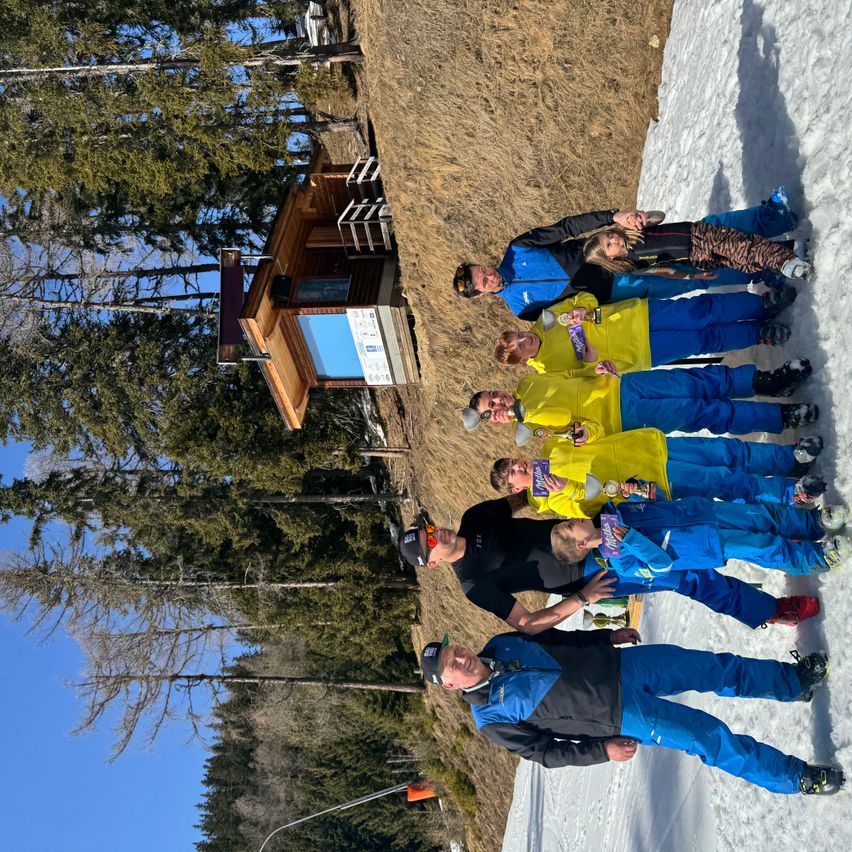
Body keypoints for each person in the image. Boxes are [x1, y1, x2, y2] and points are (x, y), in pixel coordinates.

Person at [419, 631, 845, 795]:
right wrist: (602, 750)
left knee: (714, 666)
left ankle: (794, 682)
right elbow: (546, 753)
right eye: (450, 668)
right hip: (620, 714)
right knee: (708, 736)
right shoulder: (489, 720)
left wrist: (608, 635)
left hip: (624, 665)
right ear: (451, 685)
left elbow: (560, 639)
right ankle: (796, 778)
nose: (458, 659)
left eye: (453, 651)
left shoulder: (500, 644)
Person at [397, 500, 820, 635]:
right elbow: (526, 623)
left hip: (592, 532)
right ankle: (769, 610)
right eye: (430, 543)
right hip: (593, 574)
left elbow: (527, 495)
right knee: (687, 577)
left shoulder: (474, 517)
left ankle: (782, 528)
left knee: (683, 526)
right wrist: (581, 599)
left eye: (431, 529)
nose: (439, 536)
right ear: (432, 564)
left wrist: (569, 488)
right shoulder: (473, 584)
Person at [452, 191, 797, 318]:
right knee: (691, 276)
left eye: (481, 271)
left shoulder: (518, 248)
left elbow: (568, 226)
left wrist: (611, 218)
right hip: (618, 288)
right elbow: (567, 319)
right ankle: (761, 266)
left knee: (697, 232)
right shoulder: (521, 310)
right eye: (482, 283)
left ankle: (770, 219)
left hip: (612, 248)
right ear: (481, 294)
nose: (488, 277)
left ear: (480, 263)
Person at [489, 429, 827, 518]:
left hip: (649, 448)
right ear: (515, 488)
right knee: (722, 481)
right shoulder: (549, 501)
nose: (521, 467)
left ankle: (789, 458)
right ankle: (790, 494)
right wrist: (569, 486)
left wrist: (584, 430)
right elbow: (590, 508)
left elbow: (592, 432)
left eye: (515, 462)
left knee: (723, 451)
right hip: (645, 482)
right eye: (514, 474)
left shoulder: (551, 449)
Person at [464, 361, 819, 443]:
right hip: (624, 414)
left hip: (622, 385)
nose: (497, 401)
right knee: (698, 410)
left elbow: (574, 375)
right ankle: (781, 416)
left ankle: (769, 381)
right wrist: (522, 414)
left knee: (695, 380)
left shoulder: (529, 379)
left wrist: (597, 367)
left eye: (492, 395)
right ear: (494, 420)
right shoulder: (532, 429)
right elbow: (576, 428)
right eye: (491, 409)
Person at [492, 286, 797, 376]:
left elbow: (585, 298)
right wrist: (591, 359)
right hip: (639, 353)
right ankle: (760, 334)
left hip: (635, 317)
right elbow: (591, 377)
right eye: (519, 347)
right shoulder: (549, 371)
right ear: (522, 361)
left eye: (517, 336)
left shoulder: (543, 321)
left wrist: (582, 309)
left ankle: (760, 305)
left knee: (698, 309)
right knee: (702, 339)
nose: (523, 339)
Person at [547, 498, 852, 577]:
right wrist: (629, 538)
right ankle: (819, 557)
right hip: (704, 545)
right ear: (581, 544)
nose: (573, 519)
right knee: (763, 546)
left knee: (761, 515)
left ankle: (813, 521)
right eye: (570, 526)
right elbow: (662, 565)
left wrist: (637, 489)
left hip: (702, 513)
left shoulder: (614, 510)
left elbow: (655, 502)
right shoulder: (621, 562)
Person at [582, 218, 809, 280]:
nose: (614, 239)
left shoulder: (635, 230)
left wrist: (637, 218)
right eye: (608, 245)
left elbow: (659, 216)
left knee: (744, 249)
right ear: (609, 259)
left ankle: (786, 263)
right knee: (744, 263)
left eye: (609, 235)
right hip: (696, 258)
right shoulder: (633, 266)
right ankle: (789, 248)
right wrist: (693, 275)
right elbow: (665, 272)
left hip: (698, 235)